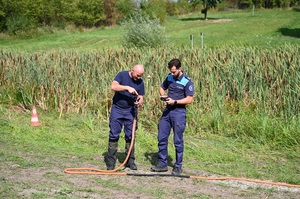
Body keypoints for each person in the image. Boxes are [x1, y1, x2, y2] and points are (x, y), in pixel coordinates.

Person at [150, 58, 194, 175]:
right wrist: (163, 95)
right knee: (162, 137)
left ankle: (178, 165)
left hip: (179, 113)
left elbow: (189, 99)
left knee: (177, 140)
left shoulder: (187, 81)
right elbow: (161, 87)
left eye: (174, 71)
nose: (172, 73)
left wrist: (175, 101)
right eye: (171, 71)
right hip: (167, 112)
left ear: (180, 69)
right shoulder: (169, 77)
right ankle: (162, 163)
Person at [106, 64, 145, 170]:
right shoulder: (122, 75)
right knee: (114, 134)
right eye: (137, 75)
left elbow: (141, 97)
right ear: (132, 71)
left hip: (131, 111)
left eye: (141, 76)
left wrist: (139, 102)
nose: (139, 78)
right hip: (117, 109)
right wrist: (127, 88)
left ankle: (130, 161)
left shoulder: (140, 82)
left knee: (130, 136)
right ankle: (111, 162)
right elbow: (113, 86)